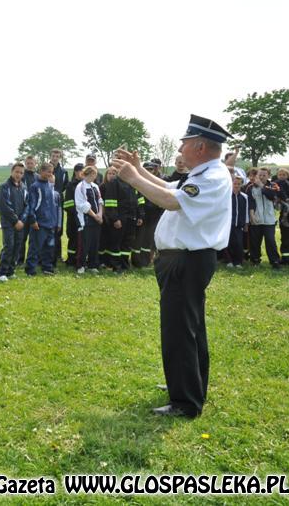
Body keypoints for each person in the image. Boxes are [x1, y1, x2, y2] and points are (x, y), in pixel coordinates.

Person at [113, 114, 233, 418]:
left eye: (185, 144)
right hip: (185, 260)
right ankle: (189, 387)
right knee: (189, 328)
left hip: (186, 260)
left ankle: (185, 402)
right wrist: (139, 170)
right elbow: (170, 188)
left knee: (179, 331)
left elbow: (170, 201)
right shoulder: (205, 173)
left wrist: (132, 177)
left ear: (201, 146)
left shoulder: (212, 176)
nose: (180, 149)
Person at [24, 163, 58, 276]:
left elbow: (52, 205)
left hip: (50, 223)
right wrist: (33, 220)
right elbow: (31, 205)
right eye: (48, 171)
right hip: (39, 223)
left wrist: (54, 222)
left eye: (51, 172)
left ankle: (47, 268)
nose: (50, 174)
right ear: (41, 171)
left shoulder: (50, 186)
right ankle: (30, 269)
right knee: (35, 247)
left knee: (49, 247)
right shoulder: (35, 186)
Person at [0, 163, 27, 282]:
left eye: (21, 173)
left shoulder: (24, 187)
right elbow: (5, 206)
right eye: (17, 172)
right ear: (12, 172)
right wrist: (15, 220)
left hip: (20, 223)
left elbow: (27, 205)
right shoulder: (4, 187)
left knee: (17, 246)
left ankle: (10, 270)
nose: (19, 174)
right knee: (9, 246)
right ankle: (1, 272)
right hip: (9, 223)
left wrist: (22, 220)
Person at [245, 167, 281, 269]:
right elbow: (250, 202)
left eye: (264, 175)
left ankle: (275, 261)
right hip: (256, 219)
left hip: (269, 220)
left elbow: (272, 196)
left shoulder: (273, 186)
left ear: (268, 176)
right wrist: (252, 216)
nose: (261, 177)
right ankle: (255, 260)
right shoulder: (250, 187)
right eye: (259, 175)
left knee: (270, 241)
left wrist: (261, 185)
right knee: (255, 241)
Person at [74, 165, 103, 274]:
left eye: (95, 174)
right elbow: (82, 205)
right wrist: (94, 216)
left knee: (94, 243)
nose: (94, 176)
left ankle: (92, 265)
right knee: (84, 244)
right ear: (86, 174)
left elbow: (100, 201)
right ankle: (80, 265)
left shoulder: (95, 186)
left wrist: (100, 214)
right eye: (92, 174)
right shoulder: (80, 187)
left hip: (97, 220)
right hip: (85, 220)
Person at [17, 155, 38, 265]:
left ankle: (31, 260)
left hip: (34, 211)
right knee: (22, 237)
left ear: (35, 164)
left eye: (32, 163)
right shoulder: (21, 176)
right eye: (28, 163)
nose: (30, 165)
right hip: (23, 211)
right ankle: (19, 260)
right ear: (25, 164)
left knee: (33, 238)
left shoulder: (38, 177)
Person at [50, 149, 69, 265]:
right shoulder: (45, 168)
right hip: (46, 203)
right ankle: (45, 255)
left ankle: (58, 255)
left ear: (60, 157)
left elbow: (65, 186)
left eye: (57, 156)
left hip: (59, 204)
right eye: (53, 156)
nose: (55, 158)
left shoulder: (64, 172)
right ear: (50, 156)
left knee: (58, 229)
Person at [225, 176, 249, 268]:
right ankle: (229, 261)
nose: (236, 185)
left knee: (239, 243)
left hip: (239, 225)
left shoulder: (244, 197)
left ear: (241, 185)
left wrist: (246, 223)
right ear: (231, 183)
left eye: (239, 184)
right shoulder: (226, 196)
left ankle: (238, 262)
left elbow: (246, 210)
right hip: (228, 224)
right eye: (235, 183)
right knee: (228, 243)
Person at [63, 163, 84, 266]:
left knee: (82, 240)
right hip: (73, 217)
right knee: (73, 239)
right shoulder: (70, 185)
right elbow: (68, 203)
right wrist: (76, 212)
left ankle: (80, 259)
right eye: (81, 171)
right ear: (76, 172)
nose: (83, 173)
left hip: (84, 217)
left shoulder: (85, 184)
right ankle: (71, 260)